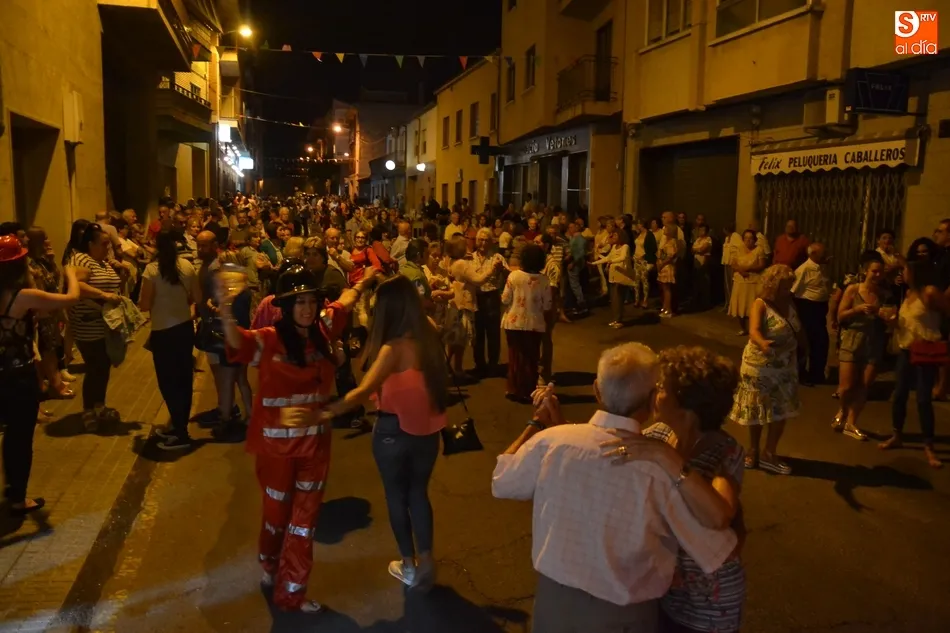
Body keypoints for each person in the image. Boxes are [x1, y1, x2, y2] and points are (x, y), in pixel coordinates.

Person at [492, 342, 737, 633]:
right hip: (622, 617)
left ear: (597, 388)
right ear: (650, 402)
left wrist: (538, 422)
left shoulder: (554, 443)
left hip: (553, 605)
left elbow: (502, 480)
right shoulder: (659, 469)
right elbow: (718, 547)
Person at [218, 263, 379, 613]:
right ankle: (270, 564)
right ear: (287, 307)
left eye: (311, 301)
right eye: (299, 302)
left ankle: (292, 593)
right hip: (276, 450)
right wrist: (224, 311)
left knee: (303, 524)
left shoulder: (321, 330)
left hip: (314, 448)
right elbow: (237, 342)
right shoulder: (269, 339)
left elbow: (346, 302)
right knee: (276, 517)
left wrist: (365, 281)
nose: (307, 308)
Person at [600, 346, 746, 633]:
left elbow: (719, 516)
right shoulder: (658, 436)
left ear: (687, 404)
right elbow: (599, 449)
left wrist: (668, 458)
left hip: (710, 602)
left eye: (661, 388)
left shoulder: (723, 450)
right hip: (665, 589)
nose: (653, 394)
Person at [320, 276, 448, 588]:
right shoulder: (429, 330)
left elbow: (363, 391)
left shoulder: (392, 348)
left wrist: (327, 411)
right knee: (418, 492)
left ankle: (408, 564)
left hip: (393, 429)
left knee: (396, 495)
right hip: (428, 428)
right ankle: (427, 560)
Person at [1, 236, 81, 514]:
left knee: (10, 434)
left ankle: (12, 490)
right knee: (20, 438)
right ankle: (18, 497)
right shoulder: (22, 296)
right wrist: (71, 274)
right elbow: (70, 299)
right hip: (18, 377)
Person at [730, 265, 803, 475]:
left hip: (785, 366)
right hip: (760, 366)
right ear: (773, 285)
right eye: (785, 285)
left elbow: (798, 328)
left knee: (780, 410)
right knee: (757, 410)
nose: (789, 289)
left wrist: (806, 347)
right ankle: (753, 450)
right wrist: (762, 343)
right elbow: (753, 330)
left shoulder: (789, 303)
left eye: (790, 284)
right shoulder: (760, 304)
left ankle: (769, 453)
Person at [880, 260, 945, 468]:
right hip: (906, 351)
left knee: (923, 399)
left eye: (905, 270)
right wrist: (891, 321)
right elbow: (905, 323)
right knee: (899, 394)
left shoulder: (929, 293)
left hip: (925, 352)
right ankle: (896, 434)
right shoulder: (908, 295)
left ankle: (929, 445)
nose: (903, 274)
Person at [138, 230, 198, 450]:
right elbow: (197, 297)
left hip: (163, 332)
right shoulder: (187, 267)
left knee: (168, 381)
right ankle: (179, 425)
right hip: (184, 329)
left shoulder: (151, 271)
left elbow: (144, 304)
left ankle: (180, 431)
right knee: (184, 379)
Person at [65, 221, 123, 431]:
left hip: (104, 325)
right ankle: (88, 410)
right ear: (90, 243)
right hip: (88, 325)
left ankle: (99, 405)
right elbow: (76, 285)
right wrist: (103, 295)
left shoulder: (102, 261)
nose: (108, 248)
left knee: (103, 367)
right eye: (104, 244)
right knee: (95, 366)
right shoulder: (81, 260)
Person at [833, 251, 894, 441]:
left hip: (874, 341)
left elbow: (892, 320)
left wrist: (883, 313)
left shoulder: (885, 295)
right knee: (846, 386)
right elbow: (840, 316)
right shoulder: (853, 290)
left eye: (880, 272)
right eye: (874, 271)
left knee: (864, 385)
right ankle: (842, 410)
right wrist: (857, 309)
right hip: (852, 339)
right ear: (865, 272)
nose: (877, 275)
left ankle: (851, 422)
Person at [25, 227, 72, 400]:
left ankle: (55, 379)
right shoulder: (30, 263)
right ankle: (53, 383)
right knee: (46, 349)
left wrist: (52, 261)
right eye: (44, 238)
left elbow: (54, 281)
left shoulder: (43, 261)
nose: (48, 241)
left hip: (51, 308)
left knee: (52, 346)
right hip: (42, 310)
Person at [501, 243, 552, 402]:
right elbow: (547, 304)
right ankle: (529, 390)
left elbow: (505, 299)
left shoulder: (514, 276)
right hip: (534, 323)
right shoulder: (544, 280)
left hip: (513, 322)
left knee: (515, 356)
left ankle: (514, 388)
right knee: (531, 357)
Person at [792, 242, 832, 386]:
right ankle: (801, 375)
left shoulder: (823, 267)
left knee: (821, 343)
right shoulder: (804, 269)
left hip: (820, 309)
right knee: (805, 343)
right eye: (822, 253)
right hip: (808, 308)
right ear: (813, 254)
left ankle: (817, 374)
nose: (826, 255)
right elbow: (793, 291)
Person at [471, 228, 506, 377]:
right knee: (477, 332)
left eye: (486, 240)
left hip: (491, 296)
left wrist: (501, 269)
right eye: (481, 240)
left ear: (491, 242)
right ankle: (479, 364)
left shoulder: (497, 257)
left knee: (493, 332)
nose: (483, 243)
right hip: (476, 297)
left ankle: (493, 364)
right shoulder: (470, 257)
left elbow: (508, 275)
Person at [728, 230, 768, 335]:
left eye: (750, 238)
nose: (748, 240)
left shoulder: (759, 250)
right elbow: (733, 264)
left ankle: (754, 329)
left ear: (754, 240)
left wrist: (749, 268)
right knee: (739, 305)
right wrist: (741, 271)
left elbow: (761, 265)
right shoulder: (738, 249)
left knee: (753, 306)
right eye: (746, 238)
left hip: (754, 281)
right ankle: (742, 328)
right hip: (740, 281)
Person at [592, 230, 634, 329]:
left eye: (615, 236)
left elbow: (623, 257)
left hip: (621, 275)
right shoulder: (614, 247)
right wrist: (594, 263)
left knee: (618, 298)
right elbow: (607, 258)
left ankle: (619, 319)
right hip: (613, 275)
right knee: (614, 298)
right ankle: (615, 319)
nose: (614, 237)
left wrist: (612, 261)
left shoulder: (625, 247)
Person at [657, 223, 681, 318]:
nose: (664, 229)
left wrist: (662, 263)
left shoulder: (672, 242)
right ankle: (664, 307)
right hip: (662, 266)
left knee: (667, 289)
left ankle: (668, 310)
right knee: (663, 288)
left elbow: (670, 256)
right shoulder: (665, 240)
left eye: (666, 228)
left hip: (667, 266)